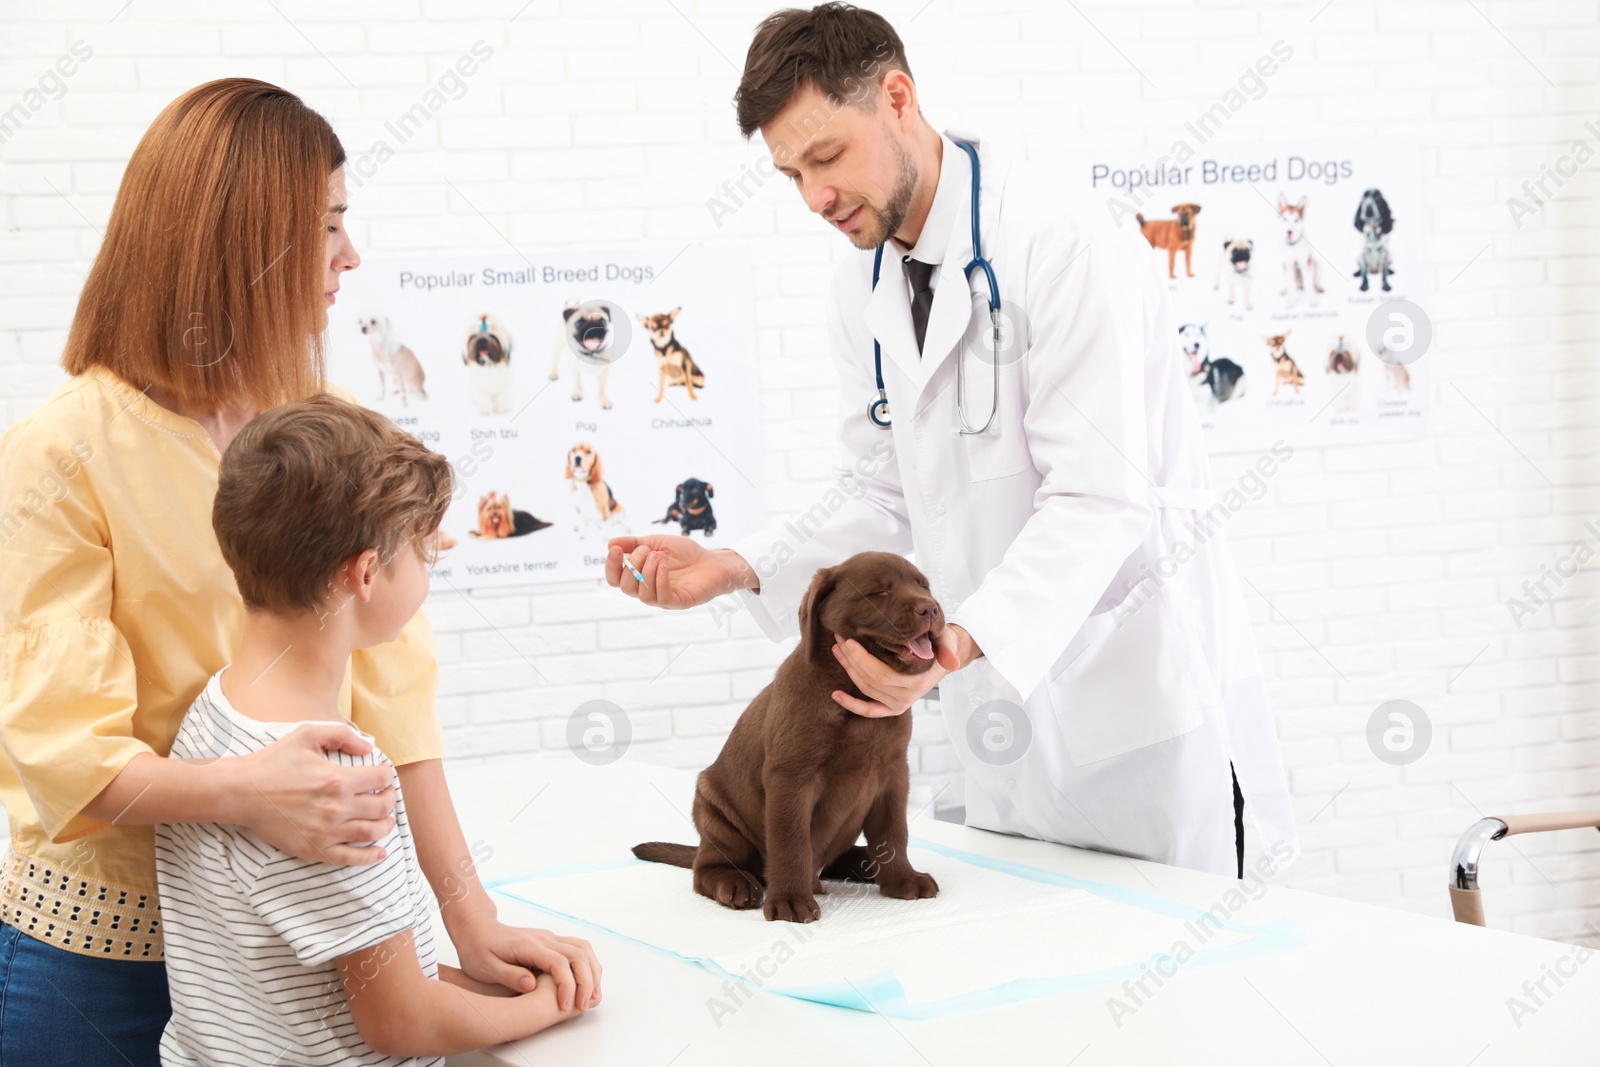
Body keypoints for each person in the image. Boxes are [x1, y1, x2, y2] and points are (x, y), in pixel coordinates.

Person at [606, 4, 1298, 879]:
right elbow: (879, 492)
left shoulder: (1061, 238)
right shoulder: (860, 283)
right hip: (994, 731)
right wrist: (738, 563)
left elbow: (1101, 494)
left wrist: (959, 642)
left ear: (898, 98)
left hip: (1134, 716)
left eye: (825, 156)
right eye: (790, 174)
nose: (816, 197)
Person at [0, 79, 597, 1066]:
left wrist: (468, 911)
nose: (348, 256)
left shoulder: (313, 423)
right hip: (98, 960)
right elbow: (63, 752)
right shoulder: (57, 457)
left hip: (285, 944)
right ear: (242, 242)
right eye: (325, 226)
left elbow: (397, 684)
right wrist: (243, 790)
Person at [155, 395, 596, 1065]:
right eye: (422, 551)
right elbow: (400, 1020)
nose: (430, 563)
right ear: (364, 574)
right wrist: (550, 1004)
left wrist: (472, 982)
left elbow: (326, 978)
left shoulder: (215, 715)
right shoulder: (338, 783)